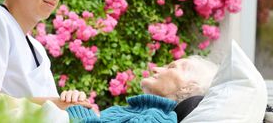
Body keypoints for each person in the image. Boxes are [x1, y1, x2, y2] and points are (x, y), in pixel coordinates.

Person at [65, 56, 219, 122]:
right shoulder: (131, 111)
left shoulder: (156, 119)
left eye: (171, 67)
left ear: (189, 87)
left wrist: (77, 108)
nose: (156, 69)